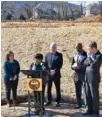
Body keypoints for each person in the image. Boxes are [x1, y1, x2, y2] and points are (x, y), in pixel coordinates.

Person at [83, 41, 102, 116]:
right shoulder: (90, 55)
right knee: (88, 95)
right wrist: (89, 59)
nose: (89, 50)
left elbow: (93, 65)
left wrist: (90, 58)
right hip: (87, 77)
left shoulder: (99, 55)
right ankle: (89, 110)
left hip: (94, 78)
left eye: (89, 48)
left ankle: (95, 112)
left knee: (94, 96)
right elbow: (85, 63)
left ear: (93, 48)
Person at [45, 42, 63, 107]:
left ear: (56, 47)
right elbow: (45, 64)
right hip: (48, 74)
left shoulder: (60, 55)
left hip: (56, 74)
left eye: (54, 47)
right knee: (48, 88)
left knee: (57, 88)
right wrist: (49, 71)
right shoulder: (47, 55)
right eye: (52, 47)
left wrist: (54, 71)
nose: (53, 48)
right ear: (50, 48)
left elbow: (60, 65)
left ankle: (58, 102)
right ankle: (48, 101)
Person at [71, 43, 87, 109]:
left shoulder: (85, 54)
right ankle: (79, 104)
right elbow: (72, 64)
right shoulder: (75, 54)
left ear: (81, 47)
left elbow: (87, 65)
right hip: (76, 75)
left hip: (83, 75)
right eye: (76, 48)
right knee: (77, 91)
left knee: (85, 91)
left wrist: (79, 67)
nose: (77, 50)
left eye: (78, 48)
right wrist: (73, 67)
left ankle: (87, 106)